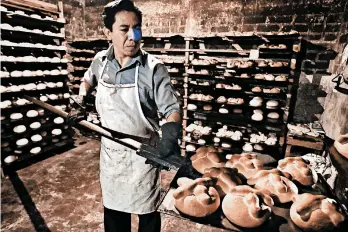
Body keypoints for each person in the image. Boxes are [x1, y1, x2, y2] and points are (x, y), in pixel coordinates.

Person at [72, 0, 182, 231]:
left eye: (137, 27)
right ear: (108, 32)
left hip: (143, 156)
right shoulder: (100, 61)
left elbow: (171, 109)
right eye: (124, 29)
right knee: (114, 214)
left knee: (148, 215)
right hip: (111, 155)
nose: (133, 36)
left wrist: (170, 137)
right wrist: (80, 100)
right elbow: (86, 80)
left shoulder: (153, 69)